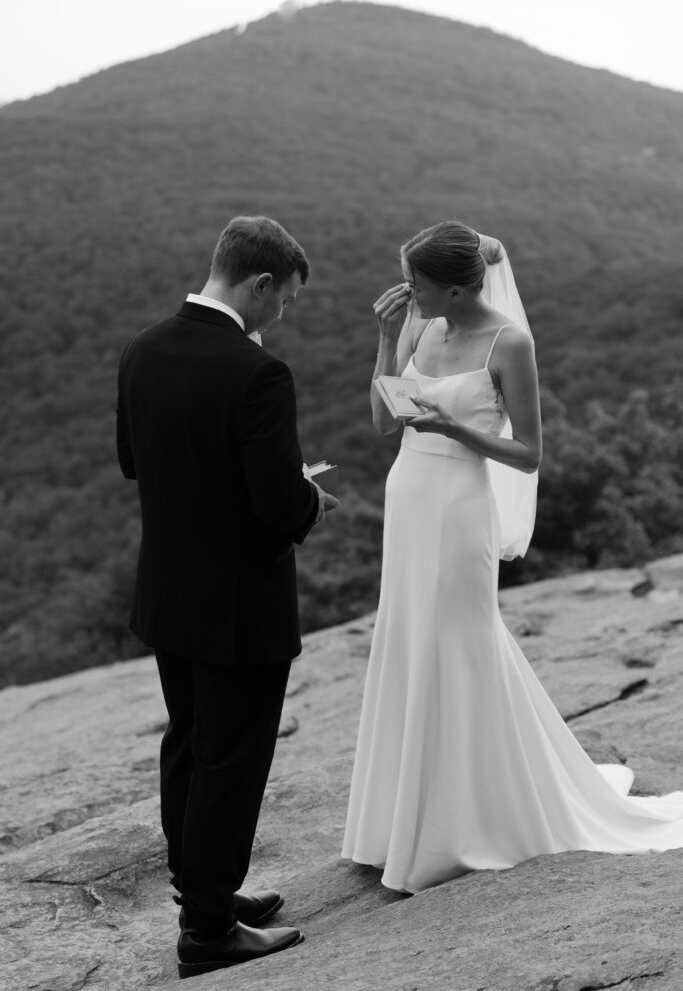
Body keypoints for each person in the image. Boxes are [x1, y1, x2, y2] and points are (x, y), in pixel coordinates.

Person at [342, 220, 683, 894]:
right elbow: (384, 422)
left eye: (418, 282)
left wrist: (454, 429)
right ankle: (397, 824)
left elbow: (527, 453)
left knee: (459, 645)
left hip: (460, 505)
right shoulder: (418, 326)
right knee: (409, 643)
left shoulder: (509, 341)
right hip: (408, 498)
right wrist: (386, 339)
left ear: (462, 286)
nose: (408, 291)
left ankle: (467, 820)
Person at [117, 215, 338, 978]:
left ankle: (201, 892)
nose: (283, 317)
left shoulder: (142, 348)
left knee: (188, 743)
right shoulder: (255, 372)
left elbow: (135, 463)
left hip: (169, 591)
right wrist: (308, 496)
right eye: (286, 301)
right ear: (260, 284)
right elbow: (277, 508)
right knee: (231, 761)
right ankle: (208, 932)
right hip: (240, 602)